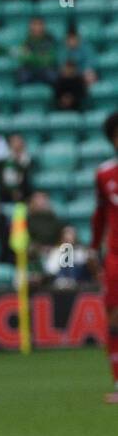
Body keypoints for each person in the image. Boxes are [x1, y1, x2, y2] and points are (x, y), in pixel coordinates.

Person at [91, 112, 118, 402]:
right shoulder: (105, 174)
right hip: (115, 257)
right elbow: (99, 216)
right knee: (113, 318)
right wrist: (93, 247)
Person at [16, 16, 57, 85]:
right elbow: (22, 58)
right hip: (29, 69)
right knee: (22, 76)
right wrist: (38, 57)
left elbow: (50, 59)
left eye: (39, 24)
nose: (37, 27)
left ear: (44, 26)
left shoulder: (50, 40)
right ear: (30, 26)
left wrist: (32, 56)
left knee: (53, 76)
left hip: (45, 69)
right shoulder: (25, 40)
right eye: (34, 24)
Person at [0, 132, 34, 203]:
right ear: (9, 144)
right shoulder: (3, 162)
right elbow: (1, 181)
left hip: (26, 197)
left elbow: (30, 179)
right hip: (6, 197)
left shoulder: (30, 161)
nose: (17, 144)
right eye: (14, 141)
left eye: (18, 141)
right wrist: (12, 192)